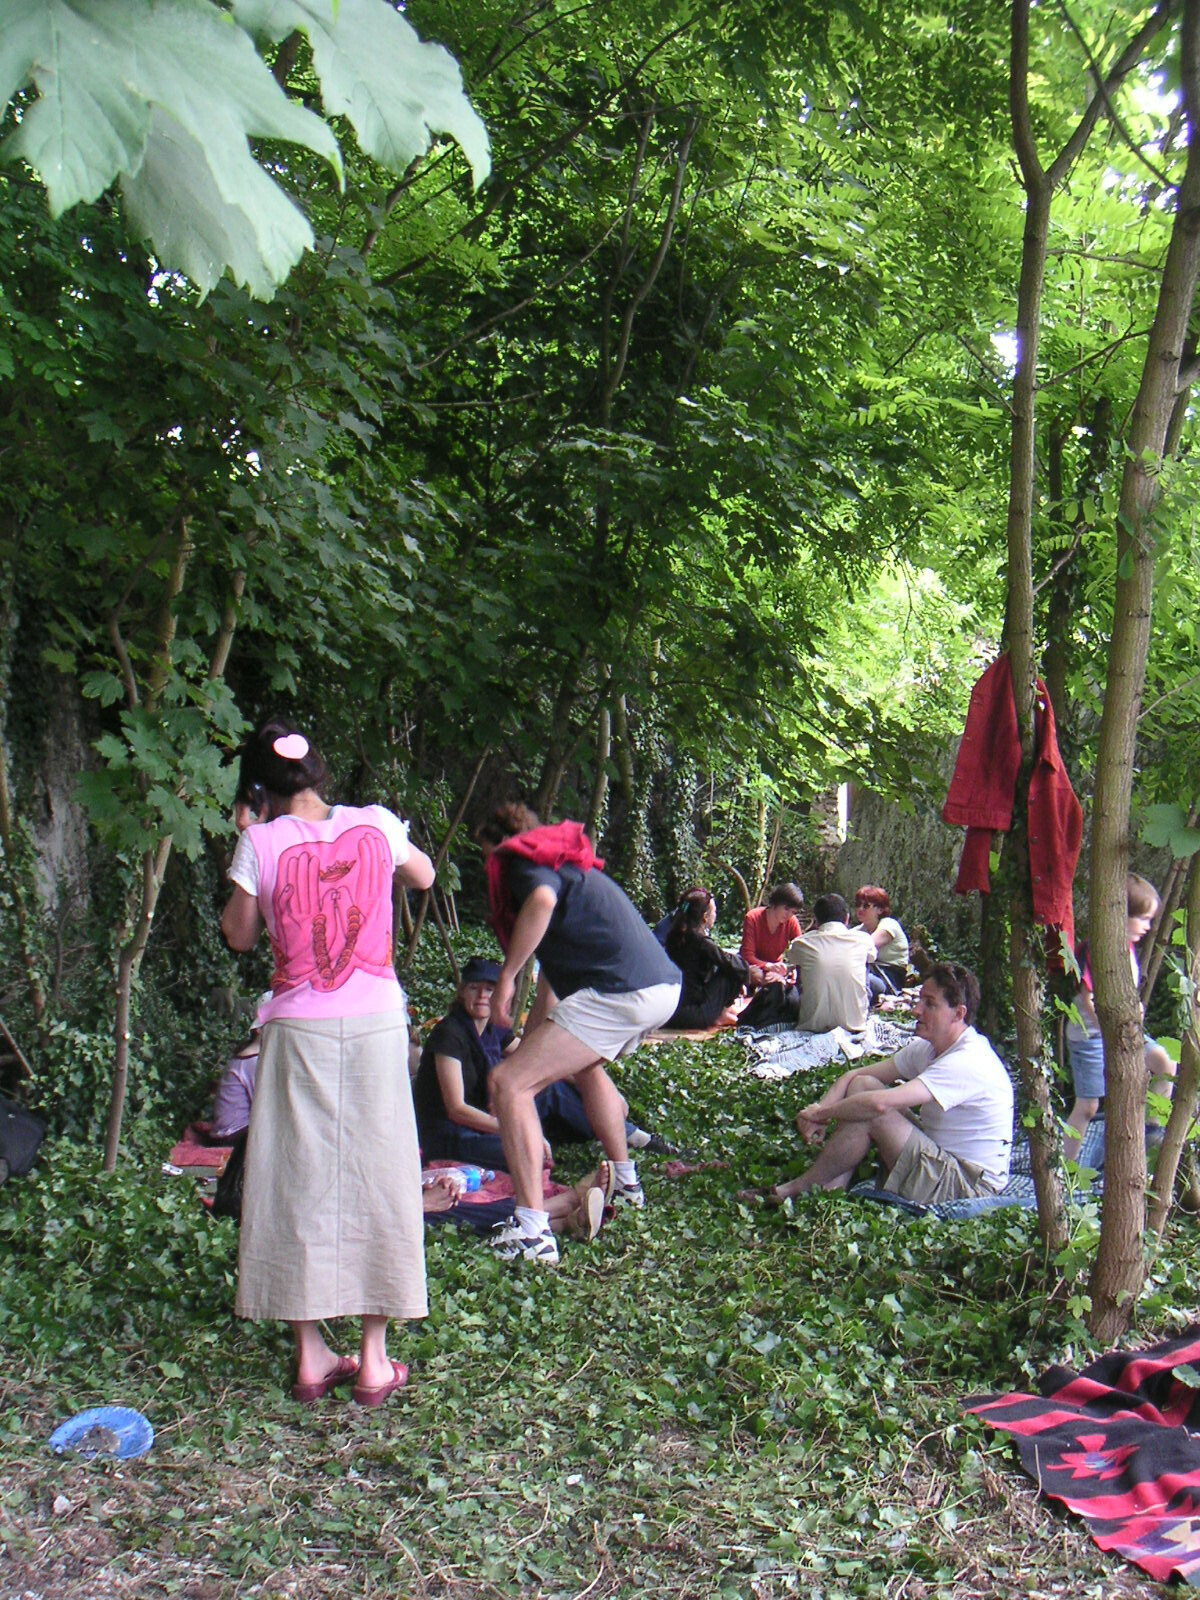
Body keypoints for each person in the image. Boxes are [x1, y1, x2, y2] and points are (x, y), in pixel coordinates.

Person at [221, 718, 435, 1409]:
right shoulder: (374, 823)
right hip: (375, 1024)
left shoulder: (260, 841)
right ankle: (373, 1359)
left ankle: (311, 1354)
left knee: (295, 1175)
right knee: (380, 1172)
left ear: (260, 788)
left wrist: (250, 832)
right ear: (318, 771)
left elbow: (238, 935)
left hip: (298, 1030)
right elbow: (425, 875)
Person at [476, 801, 682, 1265]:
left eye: (486, 855)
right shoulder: (566, 873)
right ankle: (625, 1183)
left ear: (499, 845)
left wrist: (507, 976)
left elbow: (540, 902)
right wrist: (525, 1059)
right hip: (660, 988)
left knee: (507, 1084)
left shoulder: (524, 861)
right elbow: (550, 1003)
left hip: (621, 989)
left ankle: (532, 1233)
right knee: (584, 1069)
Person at [767, 963, 1013, 1204]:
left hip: (968, 1185)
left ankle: (797, 1188)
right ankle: (830, 1190)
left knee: (874, 1111)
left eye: (930, 1004)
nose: (916, 1010)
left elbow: (879, 1105)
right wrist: (819, 1112)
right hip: (939, 1159)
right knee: (864, 1085)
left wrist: (822, 1113)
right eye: (919, 1000)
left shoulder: (967, 1059)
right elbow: (854, 1076)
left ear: (958, 1014)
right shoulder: (928, 1048)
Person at [413, 957, 657, 1167]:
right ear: (462, 992)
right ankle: (547, 1140)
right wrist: (511, 1126)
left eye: (489, 990)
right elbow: (456, 1110)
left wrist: (592, 1086)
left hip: (489, 1113)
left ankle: (622, 1132)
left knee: (553, 1090)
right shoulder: (450, 1034)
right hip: (453, 1132)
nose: (481, 996)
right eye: (474, 988)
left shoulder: (493, 1028)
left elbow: (537, 1060)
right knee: (531, 1156)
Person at [1064, 873, 1176, 1162]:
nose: (1148, 927)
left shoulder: (1129, 949)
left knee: (1164, 1063)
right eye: (1143, 919)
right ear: (1119, 915)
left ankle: (1151, 1129)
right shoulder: (1098, 949)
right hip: (1091, 1035)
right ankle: (1066, 1167)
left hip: (1124, 1031)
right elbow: (1088, 999)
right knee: (1088, 1106)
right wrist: (1112, 1032)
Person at [664, 889, 750, 1029]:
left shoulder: (673, 936)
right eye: (714, 912)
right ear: (705, 916)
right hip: (694, 1014)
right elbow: (738, 967)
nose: (715, 915)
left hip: (670, 1012)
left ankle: (722, 1012)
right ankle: (721, 1014)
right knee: (731, 971)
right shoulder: (701, 941)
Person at [786, 893, 873, 1033]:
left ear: (816, 921)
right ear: (847, 918)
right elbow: (872, 957)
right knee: (864, 963)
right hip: (856, 1025)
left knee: (803, 967)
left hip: (812, 1026)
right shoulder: (864, 940)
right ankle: (855, 1014)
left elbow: (792, 958)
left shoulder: (802, 943)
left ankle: (815, 1014)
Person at [853, 886, 911, 1002]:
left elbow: (866, 947)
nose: (860, 909)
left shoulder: (889, 925)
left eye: (866, 906)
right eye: (858, 905)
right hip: (870, 975)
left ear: (880, 910)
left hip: (889, 980)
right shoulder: (858, 930)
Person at [739, 883, 805, 985]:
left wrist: (793, 970)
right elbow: (747, 955)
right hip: (755, 968)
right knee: (754, 974)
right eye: (786, 909)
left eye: (793, 912)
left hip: (777, 970)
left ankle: (779, 982)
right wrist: (768, 966)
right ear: (775, 903)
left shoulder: (792, 922)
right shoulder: (753, 917)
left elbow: (802, 950)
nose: (788, 915)